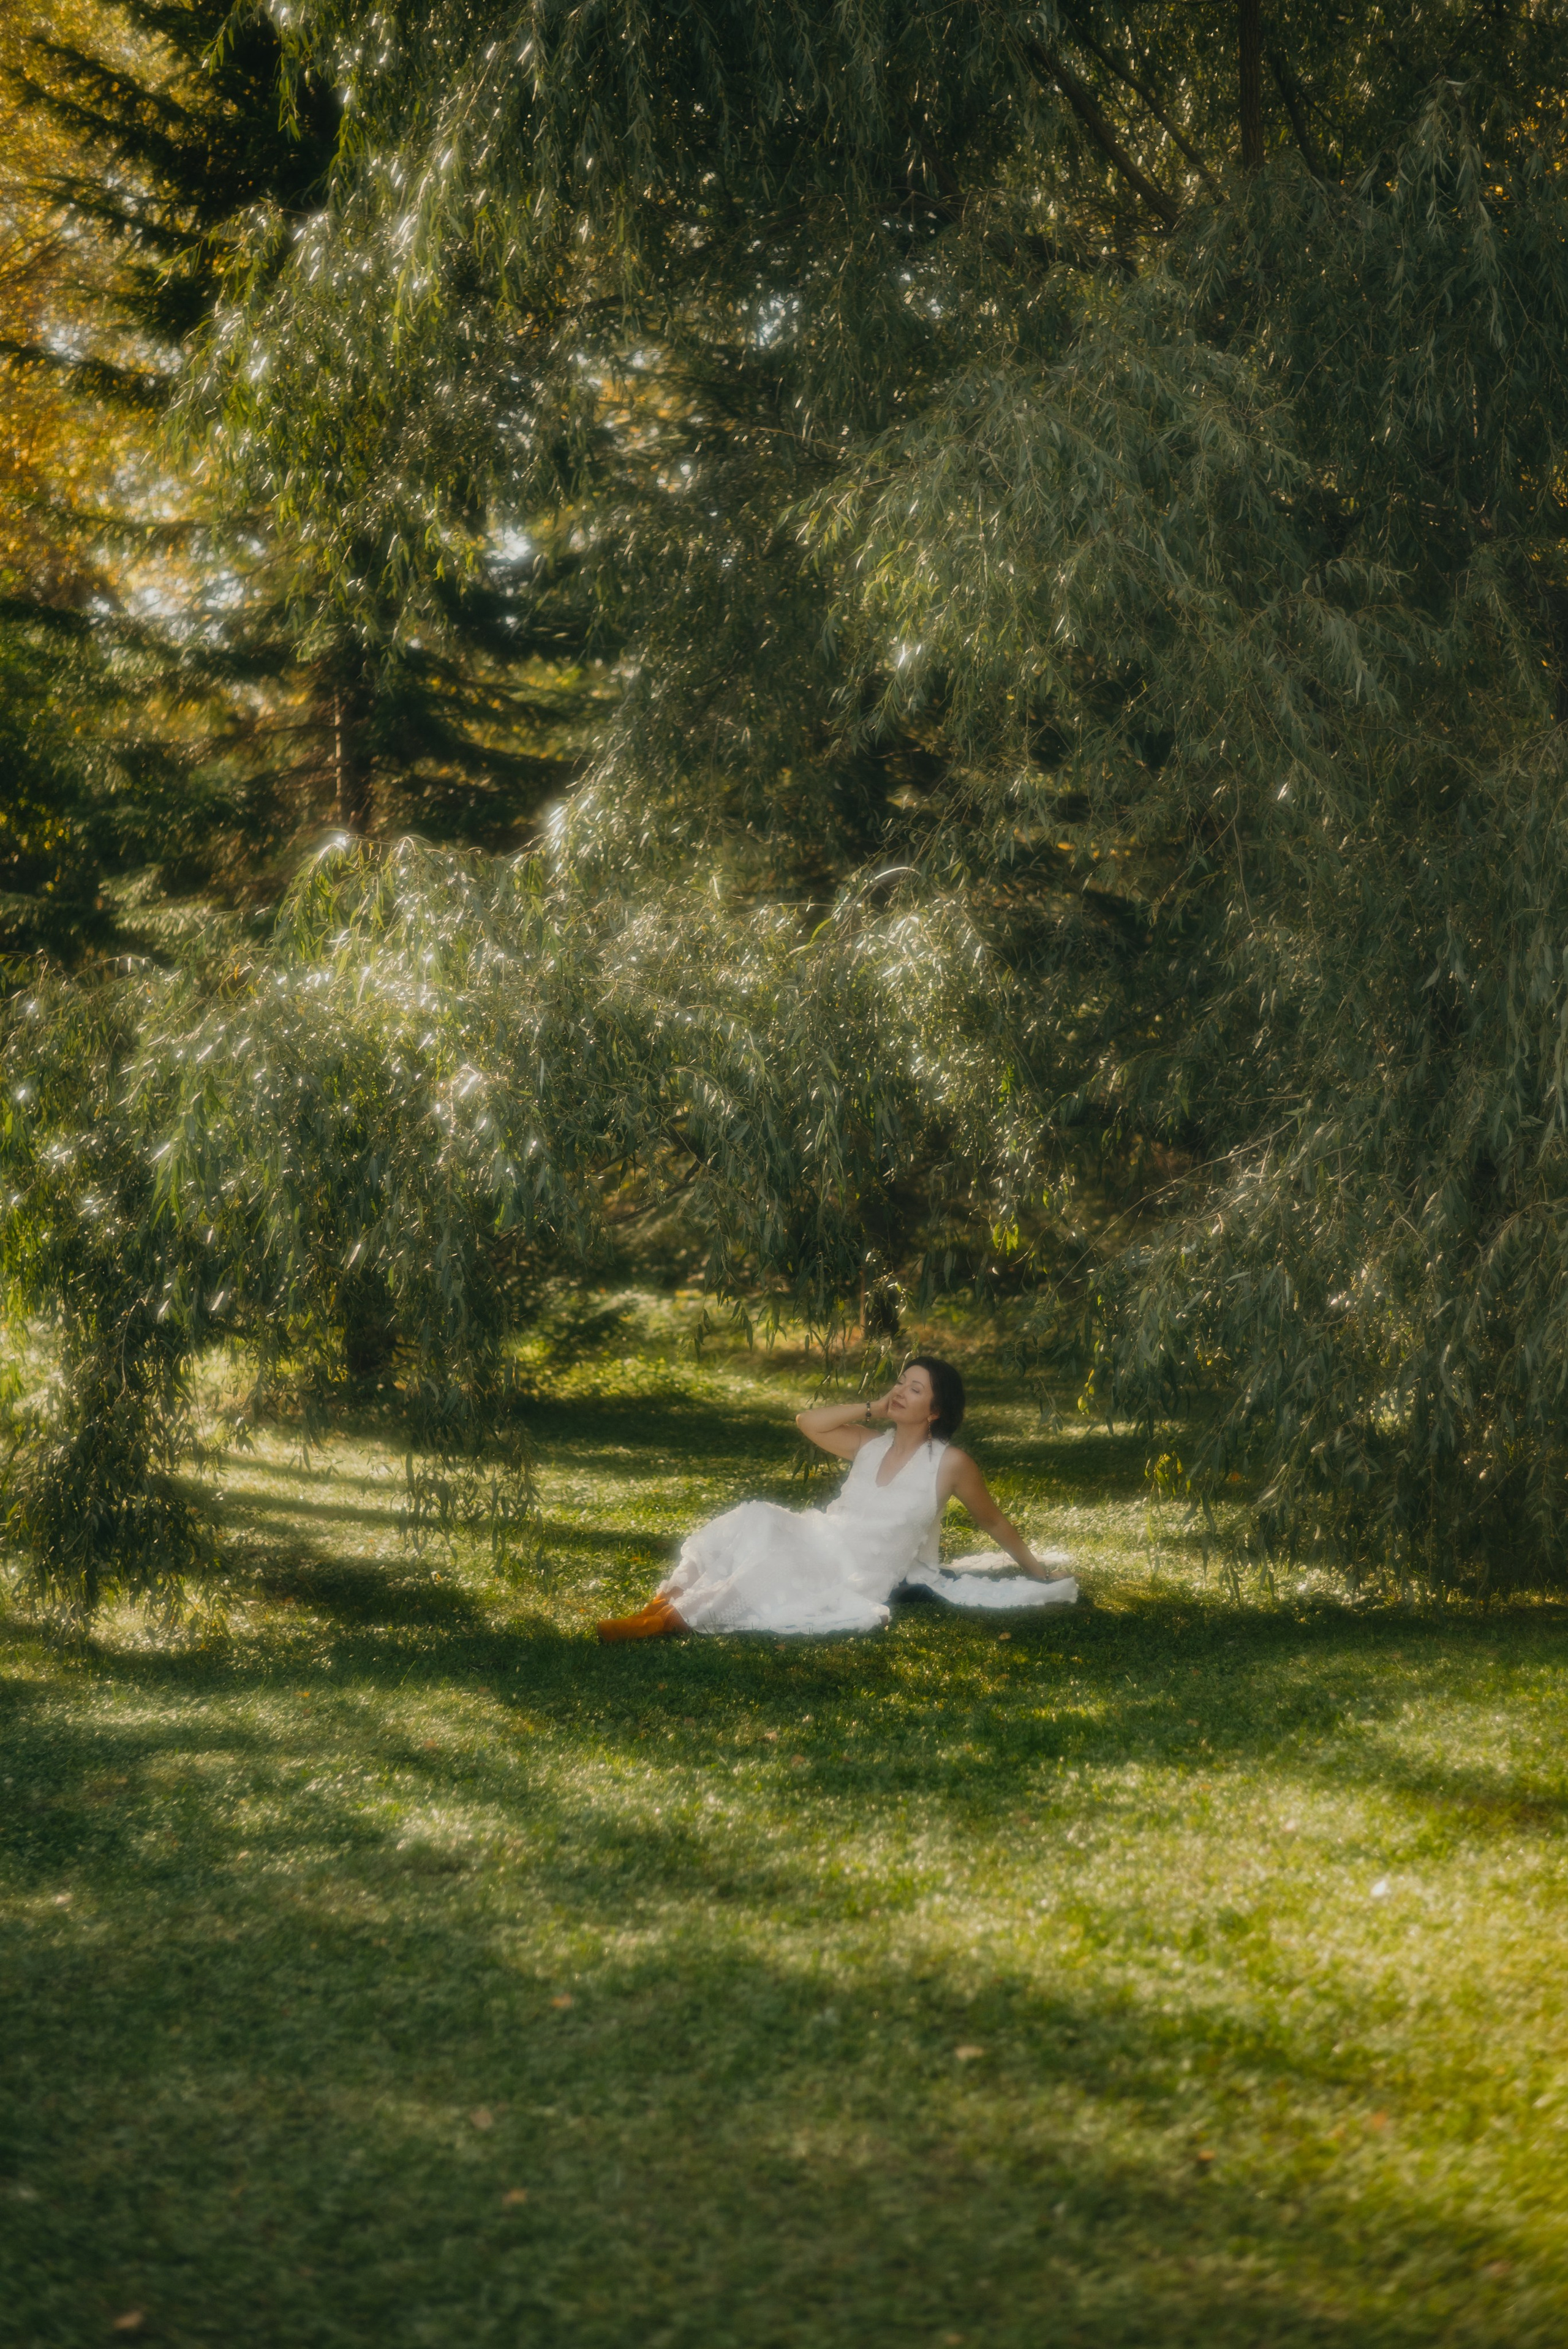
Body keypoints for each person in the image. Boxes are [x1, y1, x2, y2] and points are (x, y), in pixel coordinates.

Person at [596, 1355, 1076, 1641]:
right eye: (900, 1382)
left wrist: (1036, 1571)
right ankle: (661, 1603)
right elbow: (808, 1421)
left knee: (774, 1565)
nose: (900, 1391)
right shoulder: (869, 1443)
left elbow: (993, 1523)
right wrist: (872, 1406)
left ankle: (667, 1623)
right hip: (823, 1534)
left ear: (936, 1410)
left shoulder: (950, 1464)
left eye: (915, 1388)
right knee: (754, 1518)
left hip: (858, 1567)